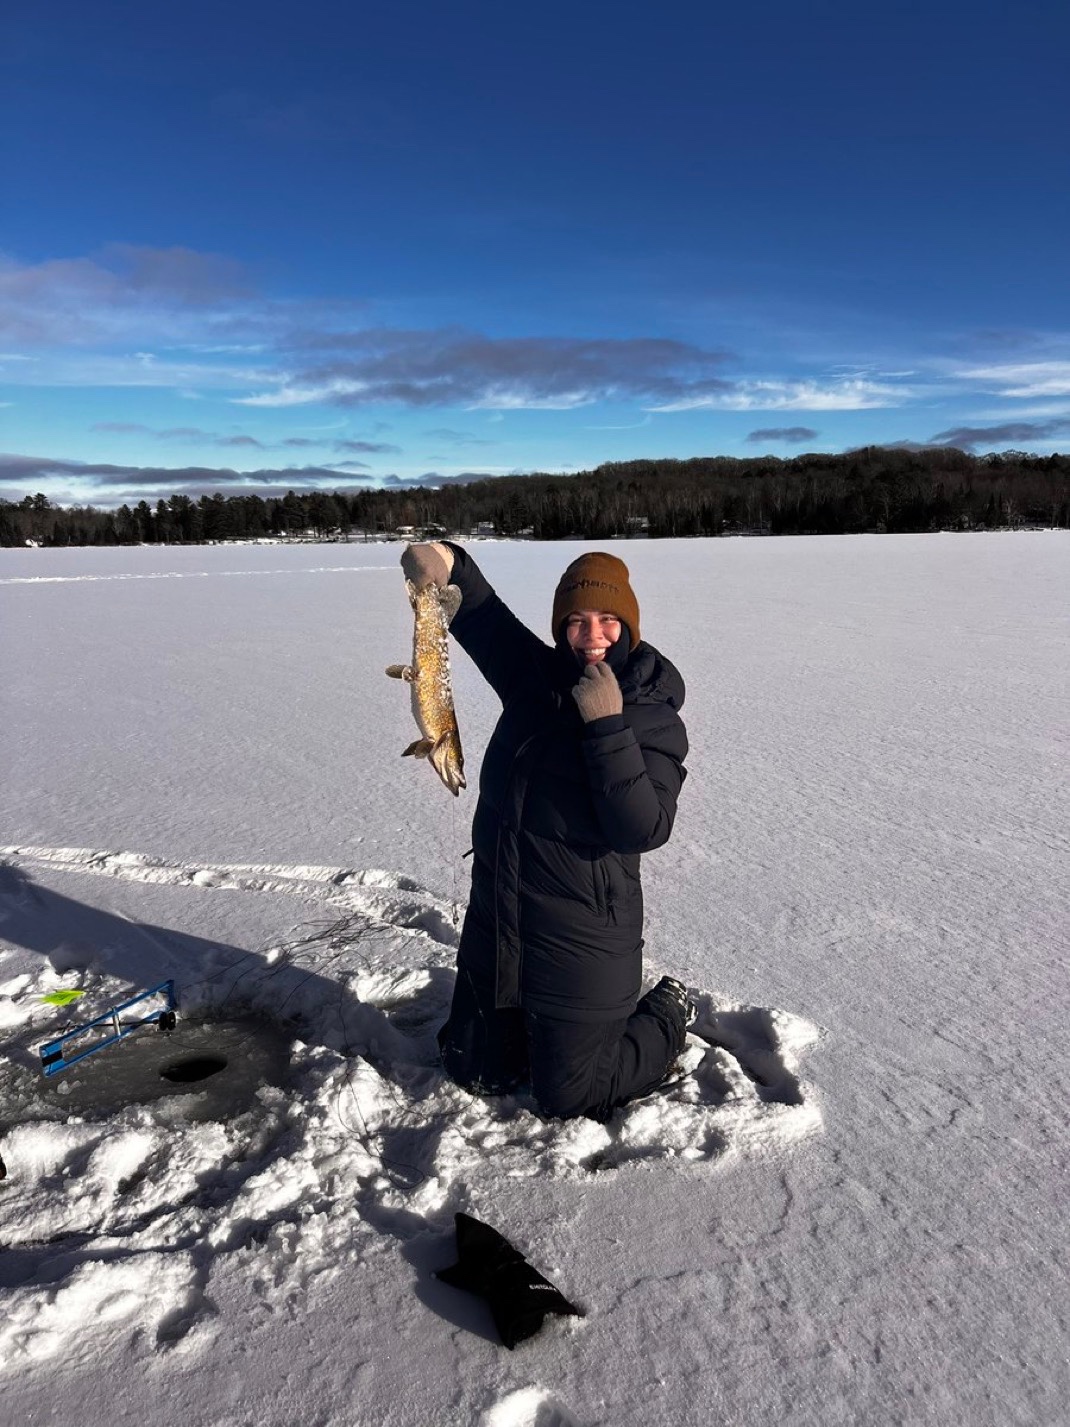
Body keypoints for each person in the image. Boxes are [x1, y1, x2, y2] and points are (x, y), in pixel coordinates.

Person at [401, 539, 691, 1122]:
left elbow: (643, 828)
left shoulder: (651, 713)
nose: (592, 635)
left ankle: (668, 1012)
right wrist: (446, 563)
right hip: (499, 927)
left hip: (579, 942)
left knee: (572, 1096)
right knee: (472, 1070)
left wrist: (607, 727)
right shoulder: (535, 679)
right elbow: (482, 616)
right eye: (577, 621)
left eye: (607, 620)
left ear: (628, 625)